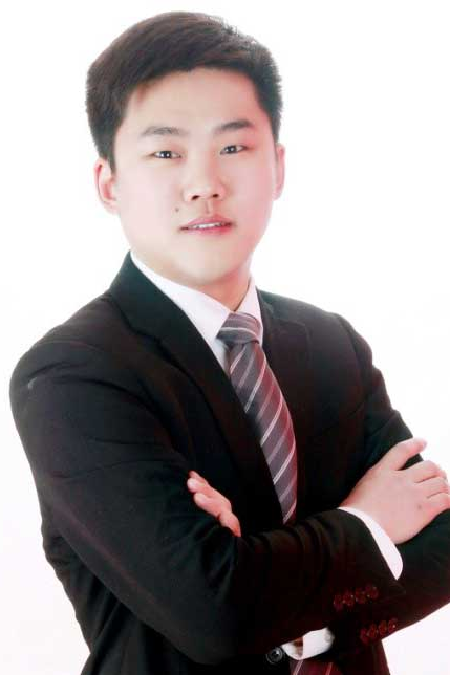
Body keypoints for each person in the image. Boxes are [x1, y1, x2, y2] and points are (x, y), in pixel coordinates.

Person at [9, 11, 450, 675]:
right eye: (165, 153)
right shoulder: (70, 377)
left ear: (278, 166)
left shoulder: (331, 345)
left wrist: (292, 615)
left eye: (234, 147)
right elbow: (215, 613)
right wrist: (365, 522)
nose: (204, 184)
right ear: (109, 184)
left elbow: (441, 547)